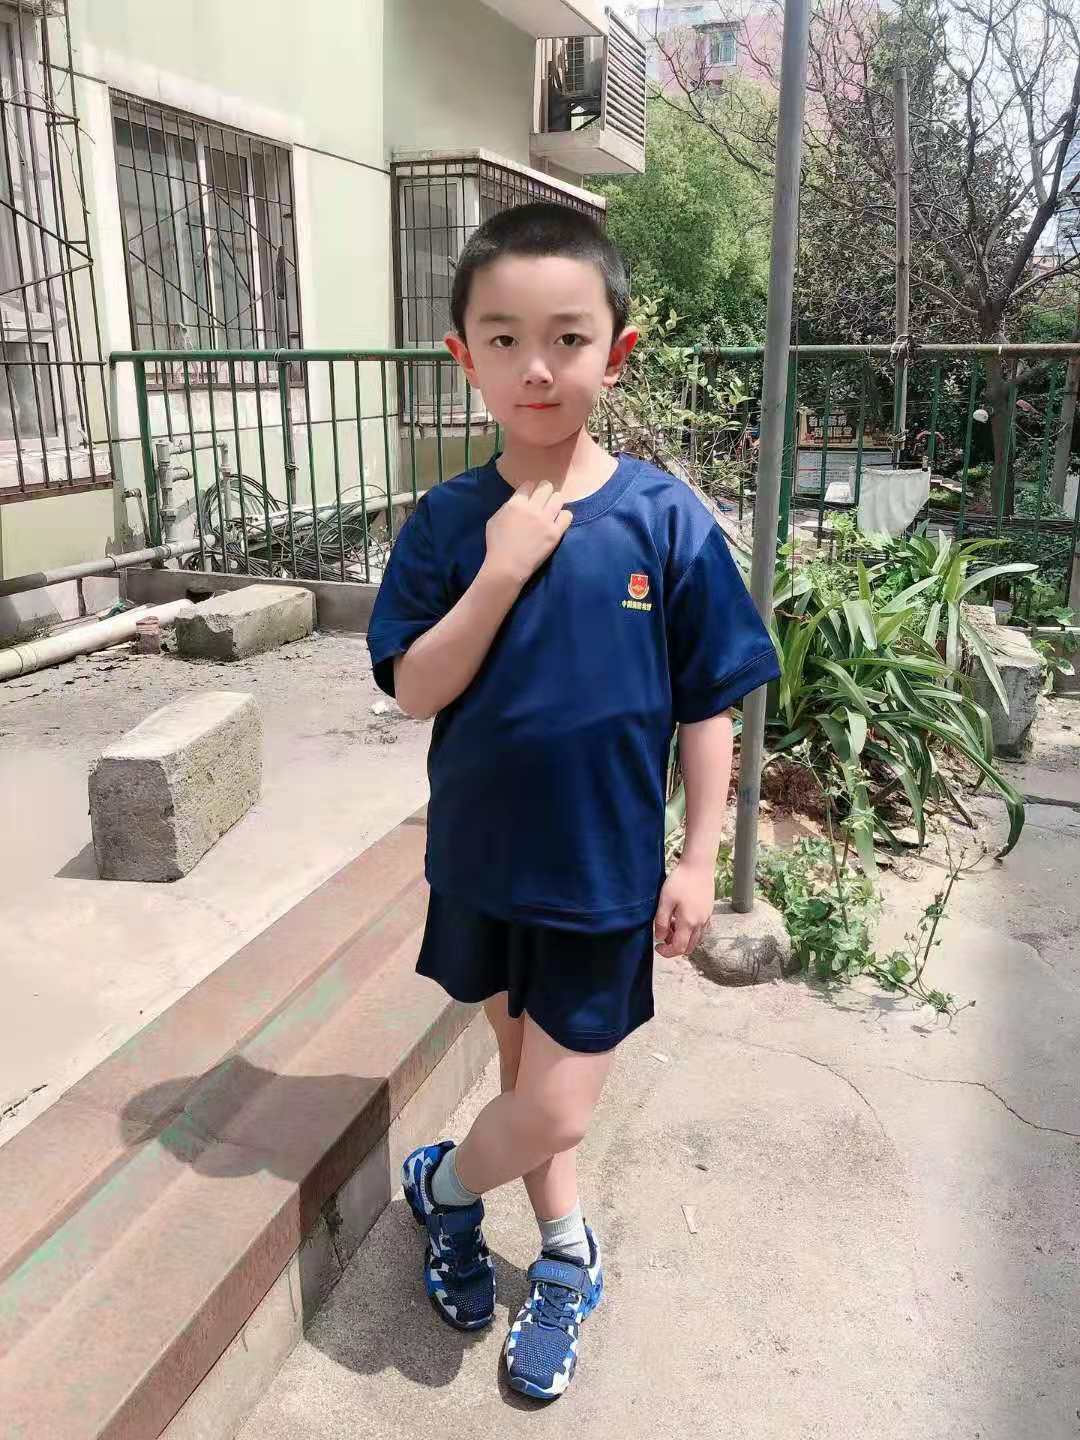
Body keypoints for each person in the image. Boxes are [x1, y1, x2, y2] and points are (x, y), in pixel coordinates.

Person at [366, 202, 779, 1402]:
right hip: (487, 862)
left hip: (602, 876)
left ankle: (444, 1187)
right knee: (526, 1085)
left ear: (618, 352)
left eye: (566, 338)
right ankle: (562, 1253)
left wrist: (695, 862)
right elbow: (414, 687)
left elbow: (709, 702)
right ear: (464, 356)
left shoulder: (662, 517)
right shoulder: (449, 524)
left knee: (551, 1106)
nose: (535, 367)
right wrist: (500, 570)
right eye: (503, 339)